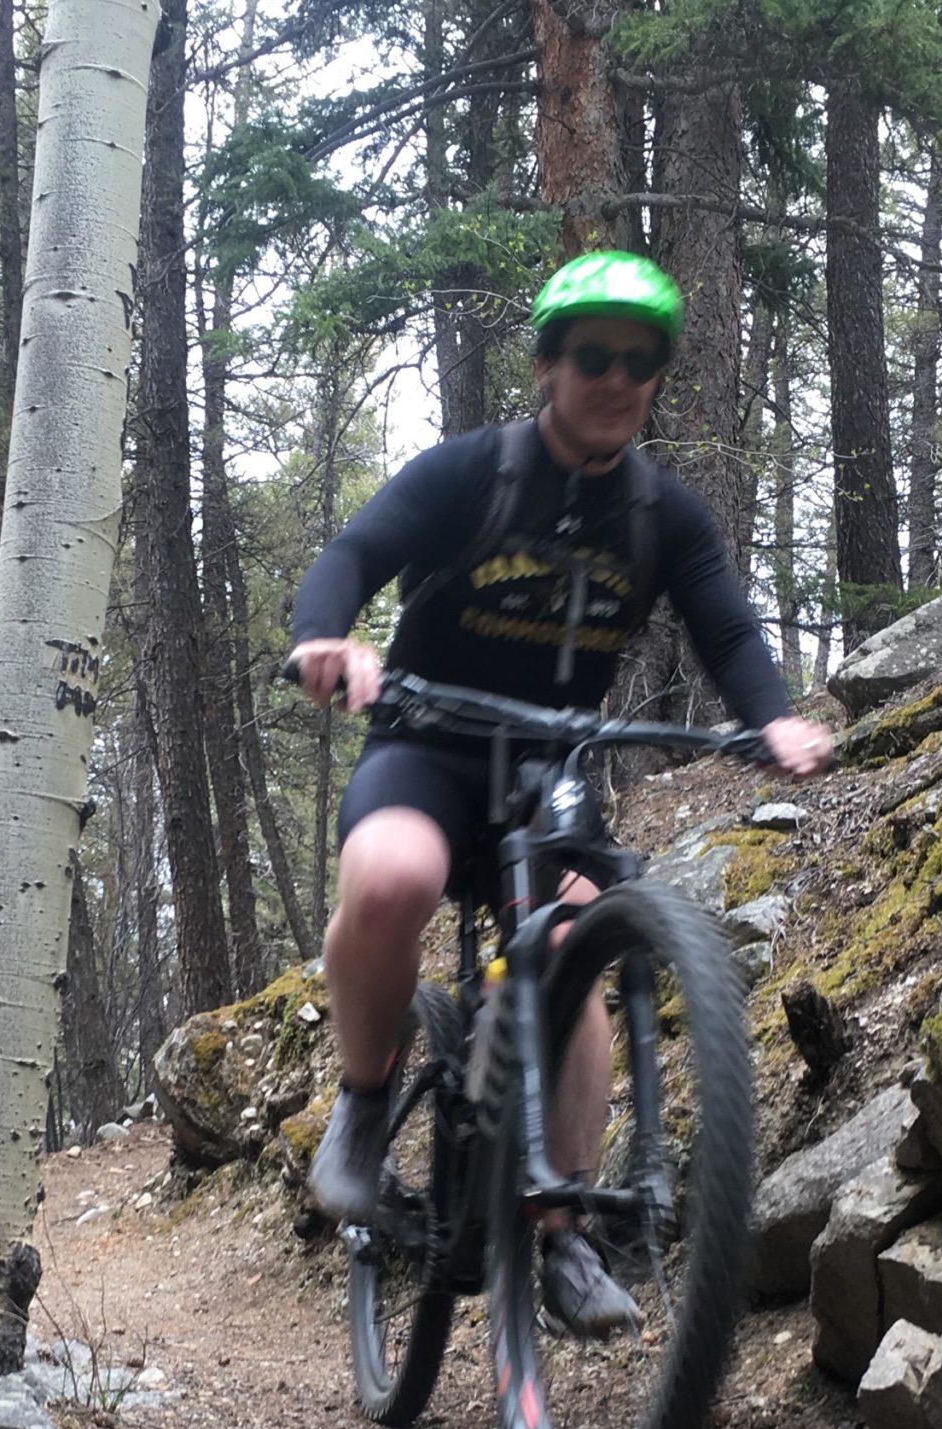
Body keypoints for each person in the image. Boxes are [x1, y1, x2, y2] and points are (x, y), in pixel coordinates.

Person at [287, 251, 835, 1337]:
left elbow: (725, 626)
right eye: (593, 355)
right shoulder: (469, 475)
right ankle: (359, 1113)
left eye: (640, 362)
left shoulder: (660, 515)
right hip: (428, 744)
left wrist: (772, 716)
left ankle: (563, 1230)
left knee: (575, 949)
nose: (616, 379)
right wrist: (326, 640)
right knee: (393, 878)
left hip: (552, 770)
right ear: (547, 364)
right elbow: (356, 550)